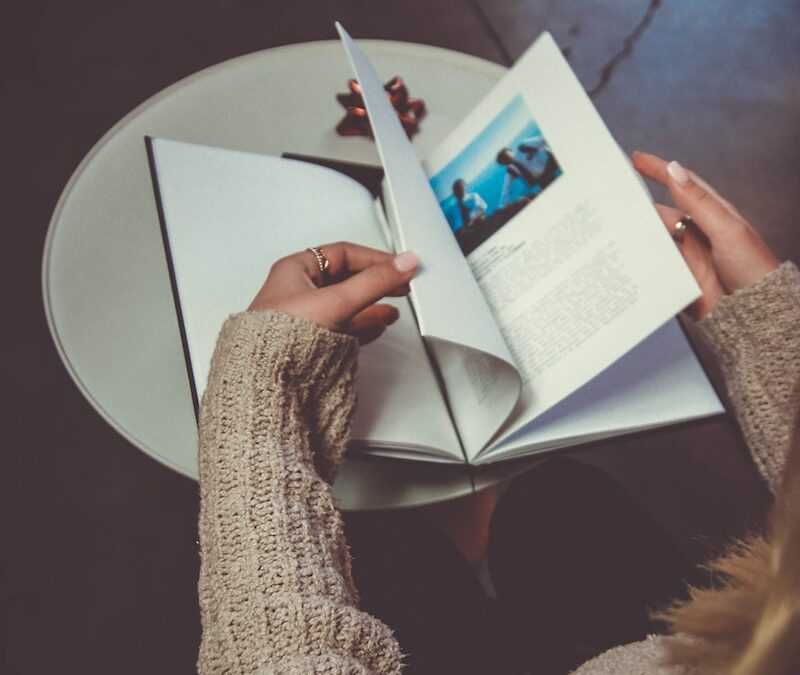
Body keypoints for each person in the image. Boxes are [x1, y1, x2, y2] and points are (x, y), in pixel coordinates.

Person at [195, 151, 800, 674]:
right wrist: (775, 338)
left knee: (395, 557)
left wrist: (261, 379)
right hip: (706, 631)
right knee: (557, 504)